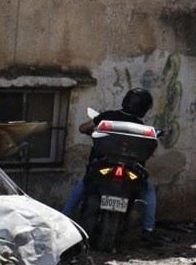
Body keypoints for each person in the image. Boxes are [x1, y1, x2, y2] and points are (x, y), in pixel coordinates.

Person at [62, 87, 162, 242]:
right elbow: (149, 150)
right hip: (131, 171)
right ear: (144, 108)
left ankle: (63, 220)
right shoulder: (140, 127)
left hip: (102, 167)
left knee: (84, 184)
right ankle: (149, 228)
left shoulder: (107, 117)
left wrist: (94, 131)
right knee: (148, 189)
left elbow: (83, 128)